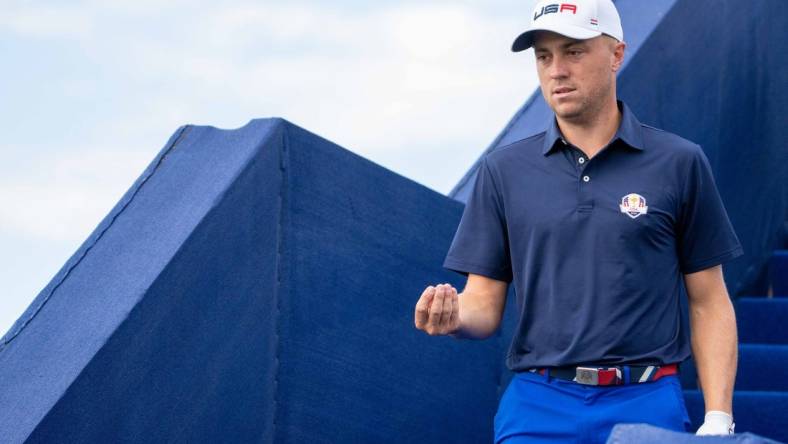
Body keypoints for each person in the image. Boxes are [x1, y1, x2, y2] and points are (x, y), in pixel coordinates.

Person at [413, 0, 743, 442]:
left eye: (573, 51)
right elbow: (483, 307)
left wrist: (719, 418)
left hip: (646, 400)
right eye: (544, 56)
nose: (556, 71)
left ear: (616, 54)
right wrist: (453, 316)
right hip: (537, 405)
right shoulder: (504, 171)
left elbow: (708, 300)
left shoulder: (679, 163)